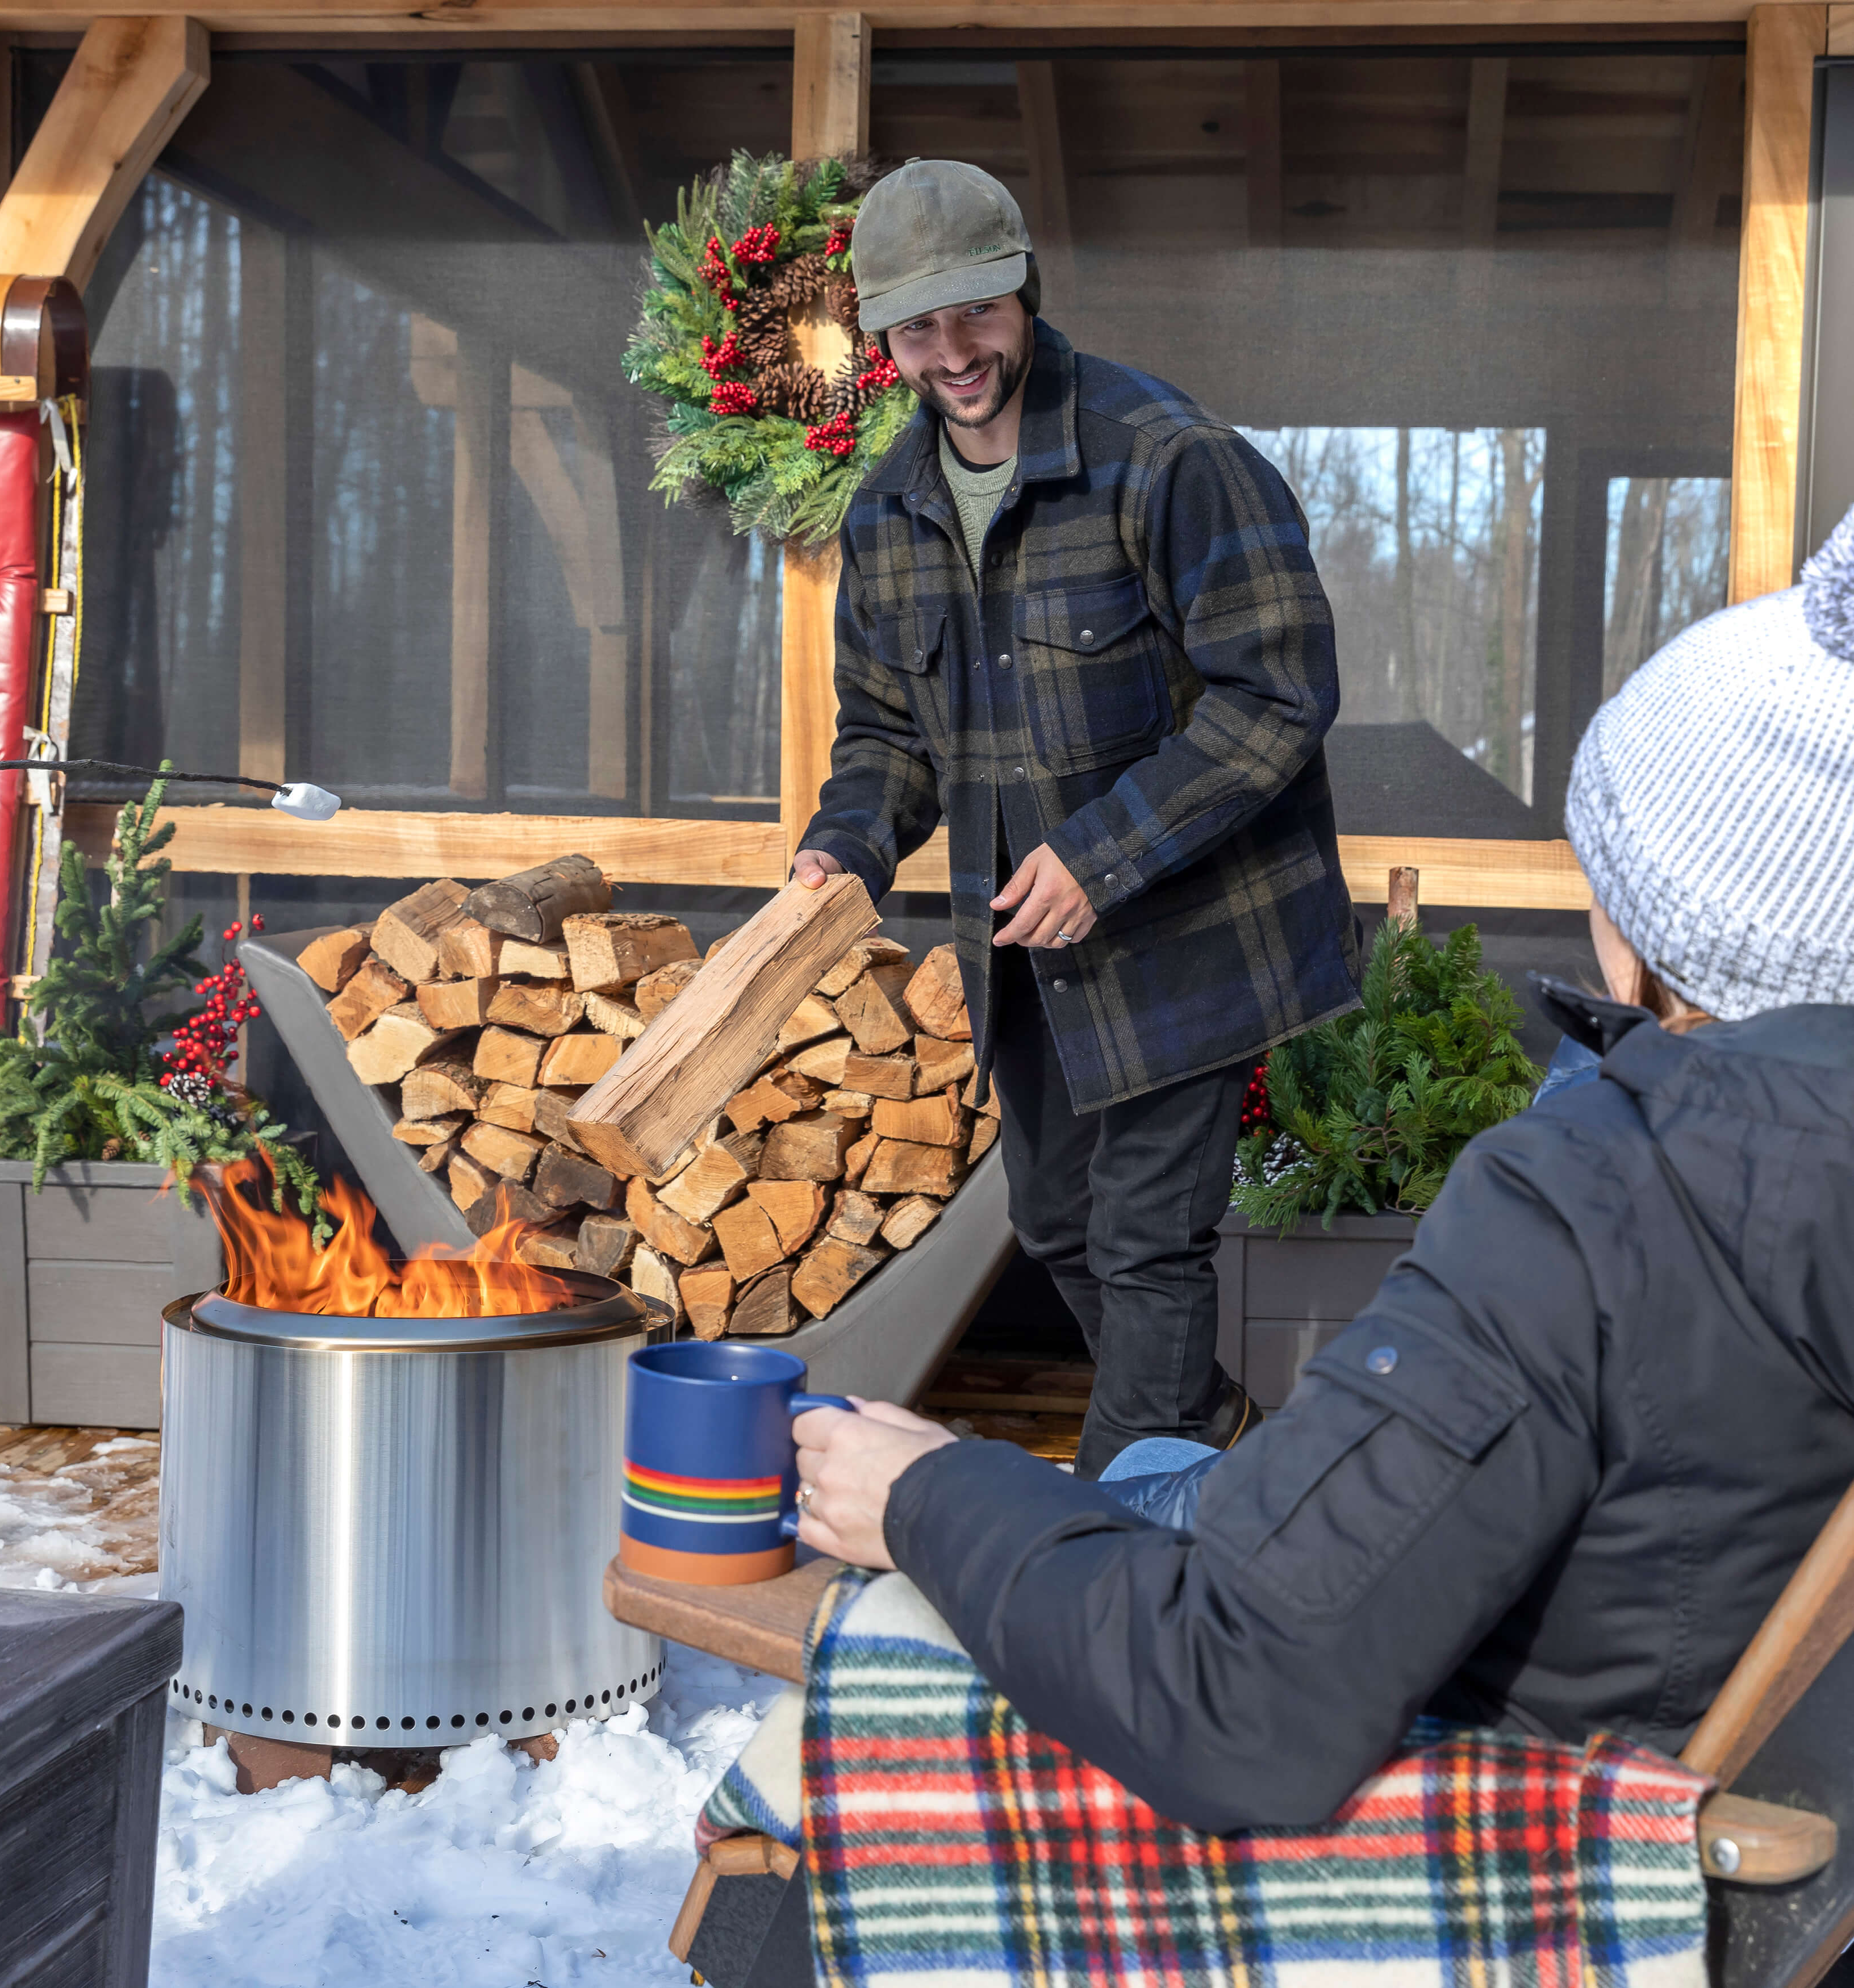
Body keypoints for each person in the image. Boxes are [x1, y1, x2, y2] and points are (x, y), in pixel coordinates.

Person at [791, 504, 1854, 1832]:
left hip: (1544, 1843)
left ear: (1649, 928)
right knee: (1154, 1465)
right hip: (1759, 1791)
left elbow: (1238, 1703)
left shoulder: (1611, 1207)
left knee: (848, 1698)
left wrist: (930, 1493)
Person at [792, 160, 1360, 1472]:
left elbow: (1276, 695)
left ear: (1024, 292)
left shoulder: (1170, 460)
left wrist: (1104, 855)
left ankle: (1113, 1551)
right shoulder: (886, 507)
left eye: (976, 314)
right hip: (1024, 946)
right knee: (1052, 1226)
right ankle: (1222, 1445)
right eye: (919, 328)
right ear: (882, 338)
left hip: (1189, 928)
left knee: (1146, 1248)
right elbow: (887, 731)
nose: (955, 353)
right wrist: (850, 845)